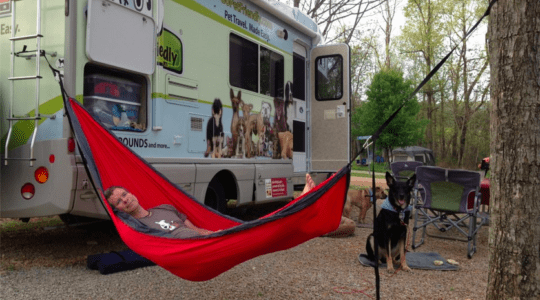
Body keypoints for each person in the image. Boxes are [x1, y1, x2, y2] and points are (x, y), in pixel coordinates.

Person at [104, 173, 317, 238]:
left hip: (204, 240)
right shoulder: (136, 226)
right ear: (119, 210)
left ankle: (300, 204)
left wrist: (212, 234)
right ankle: (300, 205)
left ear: (131, 192)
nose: (125, 200)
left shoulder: (165, 208)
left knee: (254, 229)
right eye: (120, 202)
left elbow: (194, 228)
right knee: (257, 231)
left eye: (124, 194)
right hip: (181, 247)